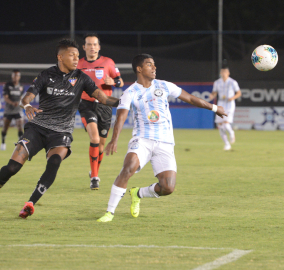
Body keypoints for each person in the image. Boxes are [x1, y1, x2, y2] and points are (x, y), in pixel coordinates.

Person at [0, 39, 119, 219]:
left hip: (61, 132)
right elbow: (26, 98)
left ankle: (30, 203)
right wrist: (27, 106)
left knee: (54, 162)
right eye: (72, 55)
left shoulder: (81, 78)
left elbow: (103, 98)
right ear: (60, 57)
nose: (77, 59)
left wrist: (126, 102)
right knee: (13, 167)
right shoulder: (46, 75)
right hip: (38, 127)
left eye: (78, 56)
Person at [97, 54, 227, 222]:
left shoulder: (164, 86)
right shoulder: (130, 92)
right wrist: (114, 140)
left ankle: (138, 193)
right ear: (139, 69)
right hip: (142, 139)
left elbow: (191, 98)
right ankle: (109, 212)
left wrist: (215, 108)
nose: (154, 67)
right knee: (128, 168)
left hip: (165, 142)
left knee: (168, 187)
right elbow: (121, 116)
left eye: (154, 65)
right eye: (149, 65)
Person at [77, 33, 124, 190]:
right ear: (84, 47)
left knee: (101, 146)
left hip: (105, 106)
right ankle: (95, 178)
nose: (92, 47)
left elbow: (120, 81)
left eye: (94, 44)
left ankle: (94, 171)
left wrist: (114, 82)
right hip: (86, 104)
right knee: (95, 138)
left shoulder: (108, 62)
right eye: (89, 44)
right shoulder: (78, 64)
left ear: (99, 47)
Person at [209, 62, 242, 151]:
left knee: (226, 123)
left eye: (225, 72)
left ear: (228, 73)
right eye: (222, 72)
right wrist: (212, 95)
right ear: (220, 73)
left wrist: (232, 98)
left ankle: (231, 133)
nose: (223, 73)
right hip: (221, 104)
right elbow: (214, 92)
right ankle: (227, 144)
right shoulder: (217, 82)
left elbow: (239, 93)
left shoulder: (232, 82)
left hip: (230, 104)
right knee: (220, 125)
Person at [0, 70, 24, 151]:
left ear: (19, 77)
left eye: (17, 76)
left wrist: (20, 103)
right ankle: (3, 143)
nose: (15, 77)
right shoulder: (7, 85)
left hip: (18, 110)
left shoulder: (21, 86)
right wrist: (12, 103)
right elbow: (5, 97)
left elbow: (21, 97)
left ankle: (20, 144)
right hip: (9, 110)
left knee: (20, 126)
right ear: (12, 76)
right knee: (5, 128)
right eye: (14, 76)